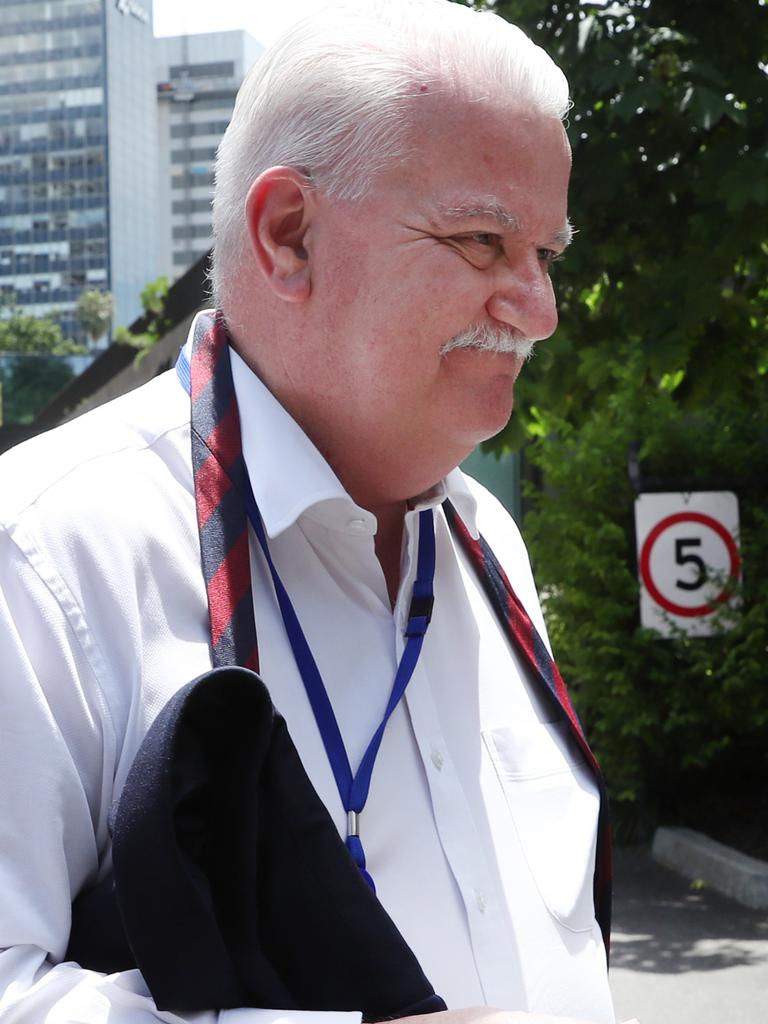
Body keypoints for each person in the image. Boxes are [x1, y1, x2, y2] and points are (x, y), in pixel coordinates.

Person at [0, 2, 620, 1022]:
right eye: (483, 240)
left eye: (546, 255)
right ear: (288, 235)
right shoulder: (51, 552)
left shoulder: (486, 542)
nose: (541, 309)